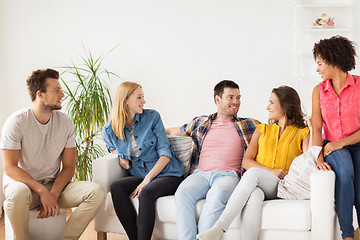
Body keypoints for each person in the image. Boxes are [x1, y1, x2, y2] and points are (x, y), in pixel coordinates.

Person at [1, 68, 106, 240]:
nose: (62, 94)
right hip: (25, 187)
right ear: (40, 94)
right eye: (56, 90)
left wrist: (53, 194)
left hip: (54, 186)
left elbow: (69, 166)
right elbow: (10, 168)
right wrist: (42, 191)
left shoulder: (65, 122)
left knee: (97, 192)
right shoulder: (16, 122)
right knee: (17, 195)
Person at [197, 85, 310, 240]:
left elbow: (309, 159)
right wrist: (271, 171)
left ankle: (219, 227)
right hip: (262, 184)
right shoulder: (262, 129)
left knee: (253, 174)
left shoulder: (303, 133)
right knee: (255, 195)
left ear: (285, 105)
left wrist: (315, 126)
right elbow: (246, 161)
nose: (267, 107)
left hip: (284, 185)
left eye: (272, 102)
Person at [166, 80, 259, 240]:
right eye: (231, 97)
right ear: (218, 100)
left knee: (216, 196)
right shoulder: (200, 122)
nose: (236, 102)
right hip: (200, 174)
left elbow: (275, 130)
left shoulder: (248, 124)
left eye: (238, 97)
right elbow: (173, 131)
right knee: (182, 193)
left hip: (228, 176)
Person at [102, 81, 184, 240]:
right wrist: (120, 156)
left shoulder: (152, 117)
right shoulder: (109, 130)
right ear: (125, 101)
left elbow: (165, 154)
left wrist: (147, 180)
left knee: (146, 192)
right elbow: (114, 150)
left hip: (168, 173)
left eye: (143, 97)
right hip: (139, 173)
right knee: (116, 187)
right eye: (139, 97)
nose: (144, 101)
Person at [311, 35, 360, 240]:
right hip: (331, 146)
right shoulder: (318, 91)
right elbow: (315, 126)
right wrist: (318, 156)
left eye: (321, 63)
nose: (318, 69)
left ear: (334, 60)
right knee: (346, 169)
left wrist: (342, 142)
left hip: (354, 143)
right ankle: (347, 235)